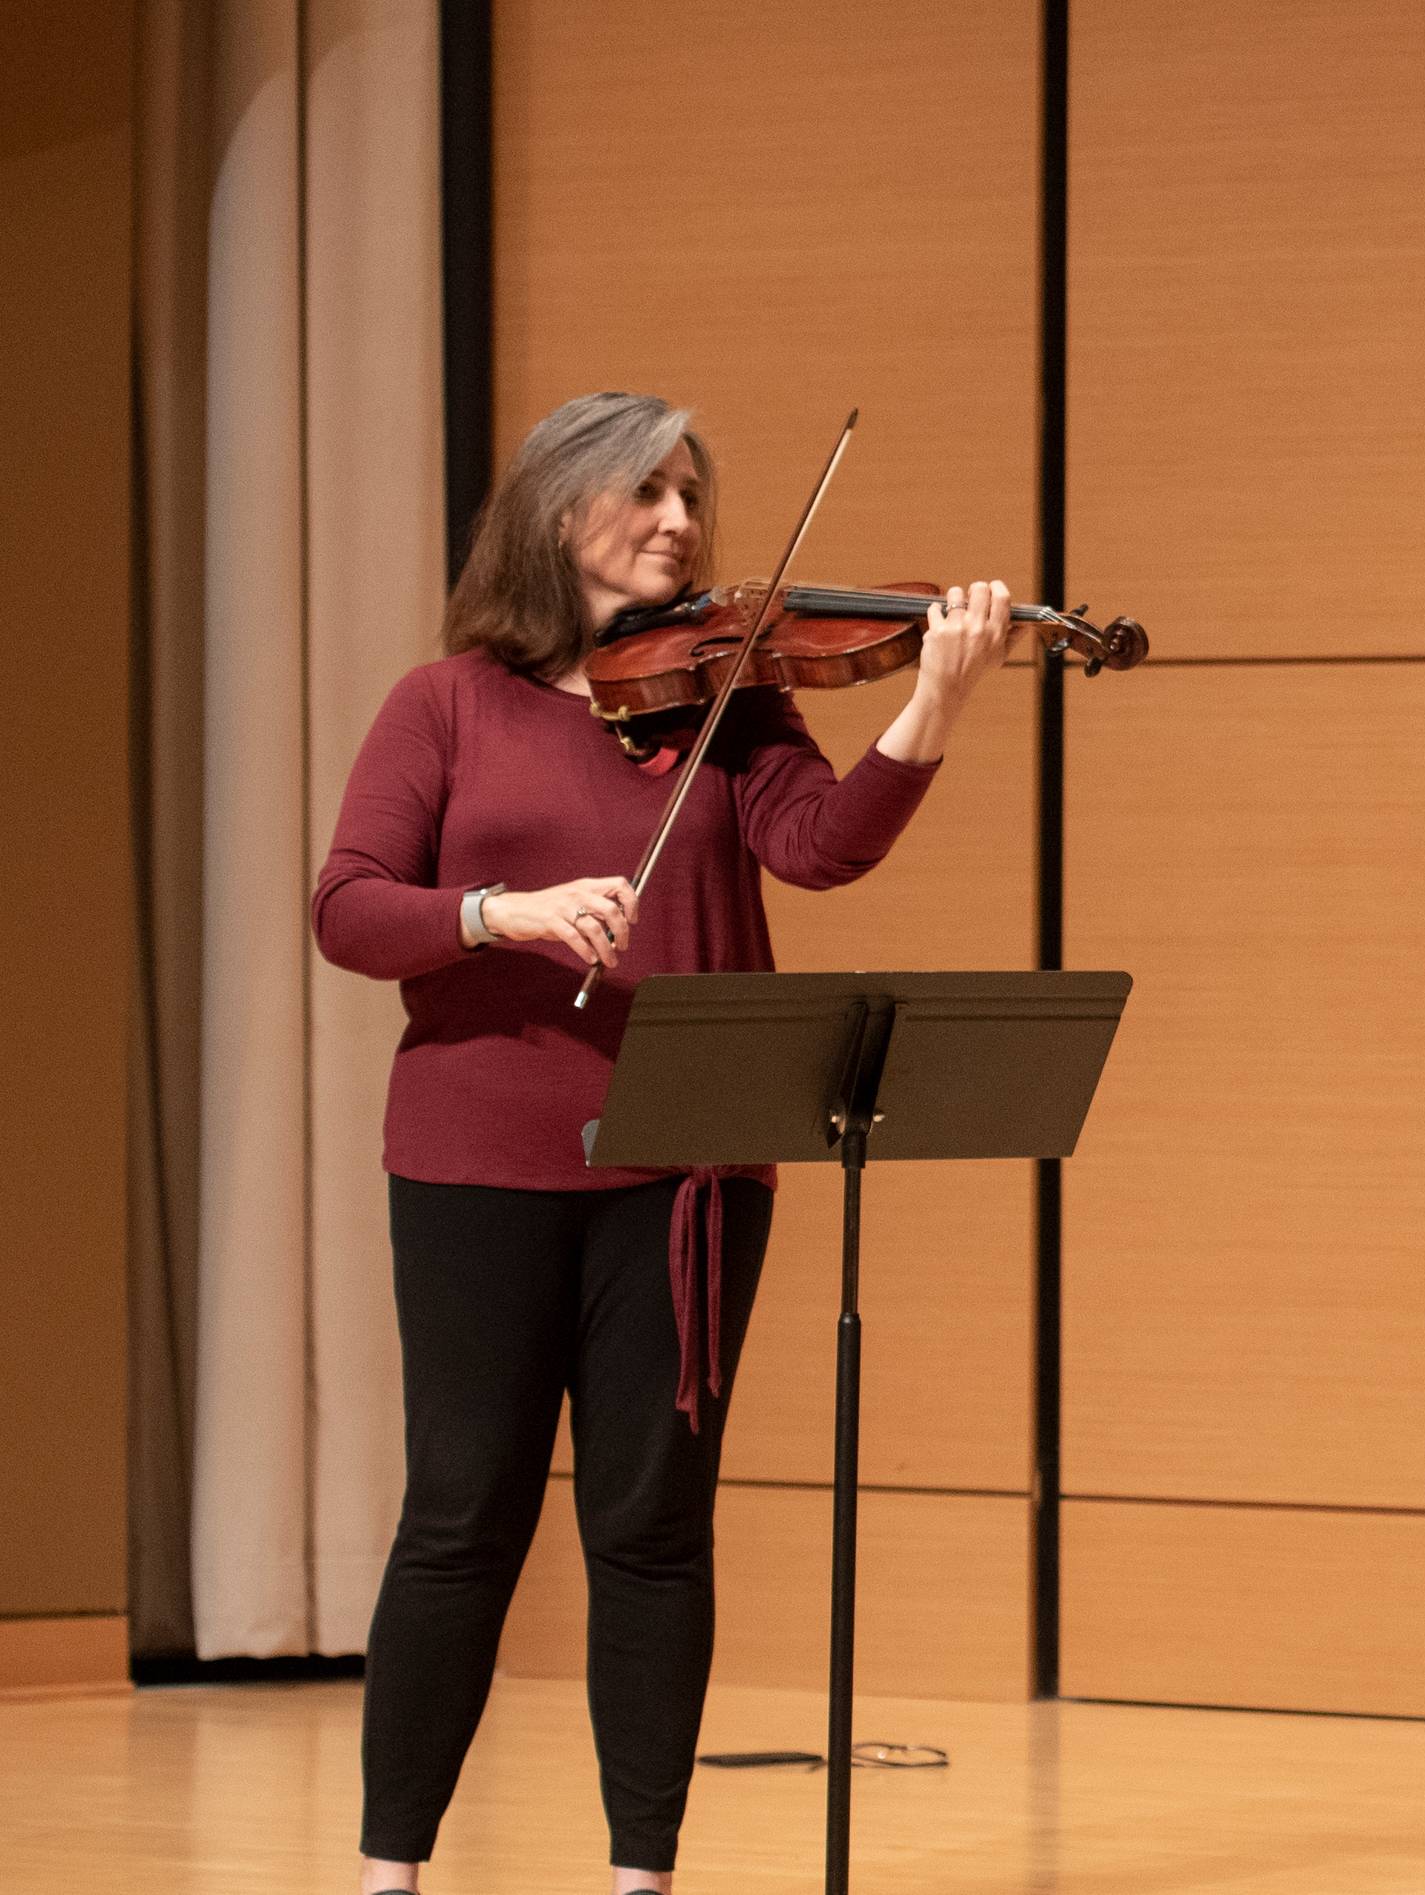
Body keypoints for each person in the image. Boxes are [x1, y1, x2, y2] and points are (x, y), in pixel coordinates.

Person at [313, 391, 1021, 1895]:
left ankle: (643, 1875)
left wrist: (934, 704)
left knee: (652, 1525)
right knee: (462, 1517)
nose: (680, 521)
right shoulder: (444, 703)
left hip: (686, 1166)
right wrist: (497, 913)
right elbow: (350, 905)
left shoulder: (730, 701)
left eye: (692, 493)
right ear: (558, 511)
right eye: (645, 490)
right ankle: (391, 1873)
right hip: (474, 1162)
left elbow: (818, 845)